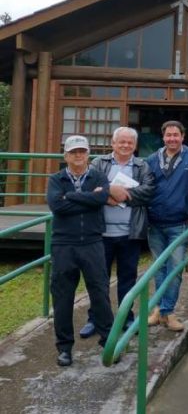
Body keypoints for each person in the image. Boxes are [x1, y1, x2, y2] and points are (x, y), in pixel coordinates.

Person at [80, 127, 154, 339]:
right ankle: (95, 318)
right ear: (112, 143)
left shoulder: (142, 165)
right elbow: (87, 188)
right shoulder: (99, 163)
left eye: (130, 142)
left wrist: (122, 194)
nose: (125, 145)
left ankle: (126, 317)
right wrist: (108, 194)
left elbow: (148, 191)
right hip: (100, 234)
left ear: (135, 145)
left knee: (127, 279)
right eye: (121, 142)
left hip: (130, 234)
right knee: (97, 279)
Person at [46, 135, 114, 367]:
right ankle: (64, 347)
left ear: (88, 154)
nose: (78, 156)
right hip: (64, 245)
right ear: (66, 156)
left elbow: (102, 198)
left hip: (93, 243)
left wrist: (72, 197)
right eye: (73, 152)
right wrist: (89, 198)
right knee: (63, 297)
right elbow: (57, 206)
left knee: (100, 293)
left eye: (82, 151)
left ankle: (109, 341)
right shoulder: (56, 179)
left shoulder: (99, 176)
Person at [146, 121, 188, 331]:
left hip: (179, 223)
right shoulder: (152, 159)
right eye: (168, 135)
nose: (172, 138)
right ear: (163, 137)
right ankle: (158, 310)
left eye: (176, 135)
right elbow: (145, 188)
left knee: (176, 269)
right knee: (158, 269)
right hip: (154, 222)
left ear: (183, 136)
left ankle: (167, 312)